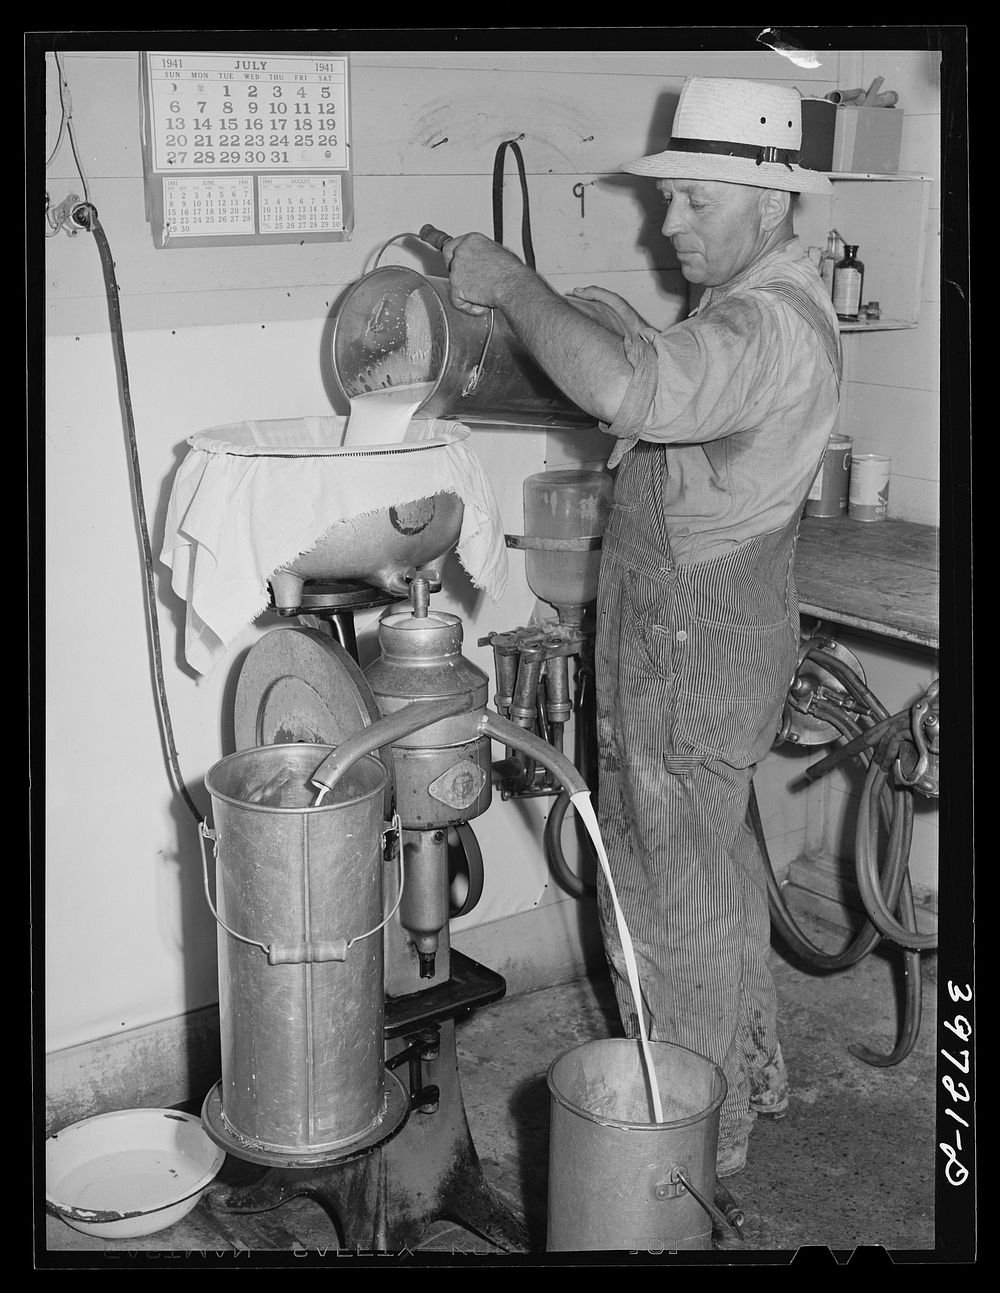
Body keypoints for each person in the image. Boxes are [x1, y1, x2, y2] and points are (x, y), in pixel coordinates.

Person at [438, 76, 842, 1178]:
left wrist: (516, 284)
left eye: (695, 204)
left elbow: (635, 393)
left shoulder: (764, 323)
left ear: (767, 204)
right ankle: (747, 1078)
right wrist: (606, 323)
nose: (670, 225)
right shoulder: (764, 301)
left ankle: (687, 1152)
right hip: (716, 628)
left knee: (666, 902)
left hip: (686, 639)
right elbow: (669, 387)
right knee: (711, 871)